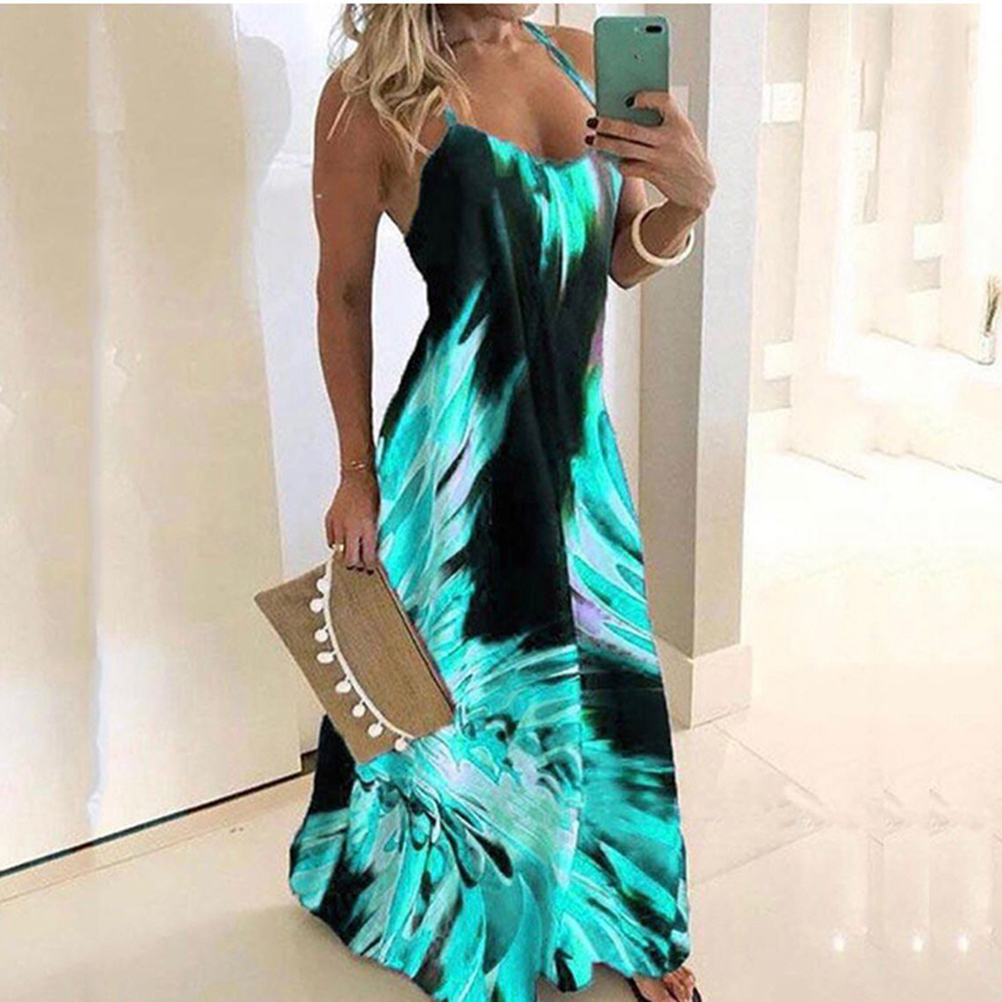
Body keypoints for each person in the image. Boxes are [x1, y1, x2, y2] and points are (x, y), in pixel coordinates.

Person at [288, 6, 716, 1002]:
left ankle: (630, 915)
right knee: (477, 704)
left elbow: (619, 257)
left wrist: (687, 205)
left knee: (608, 685)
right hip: (460, 454)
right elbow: (341, 293)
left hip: (576, 448)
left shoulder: (590, 57)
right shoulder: (368, 95)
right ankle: (486, 923)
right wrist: (356, 472)